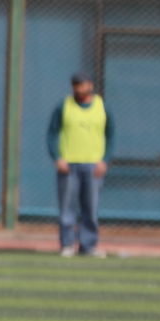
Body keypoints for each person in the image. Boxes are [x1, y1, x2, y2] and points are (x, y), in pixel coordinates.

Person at [48, 71, 113, 258]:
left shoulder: (102, 107)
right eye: (76, 85)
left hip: (93, 166)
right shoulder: (64, 106)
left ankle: (88, 245)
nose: (79, 88)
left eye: (82, 84)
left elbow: (111, 135)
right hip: (69, 165)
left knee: (90, 209)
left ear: (90, 85)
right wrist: (57, 157)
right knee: (67, 209)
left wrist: (105, 160)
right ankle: (67, 244)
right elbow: (52, 133)